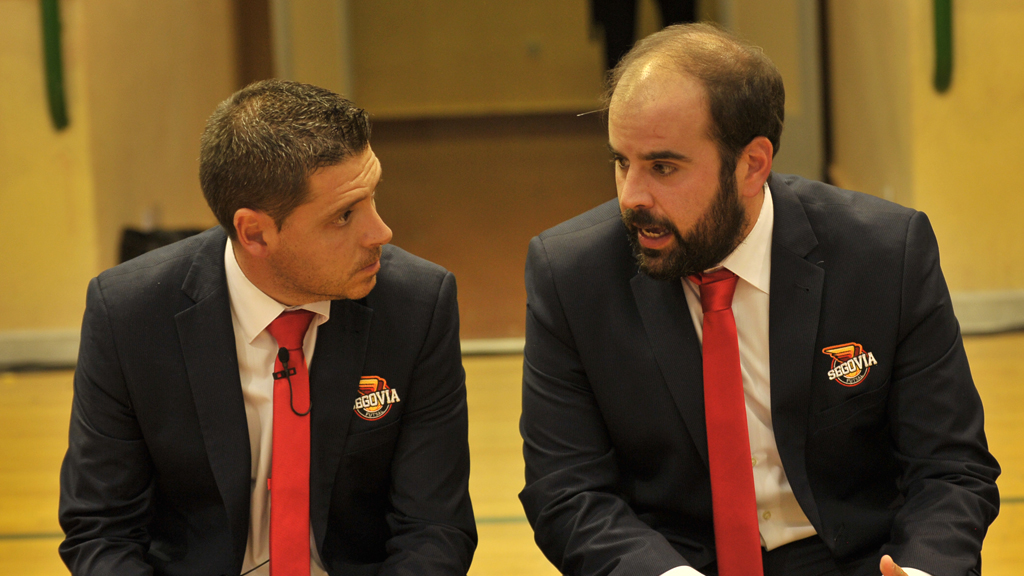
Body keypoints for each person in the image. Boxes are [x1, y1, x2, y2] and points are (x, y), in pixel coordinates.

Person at [519, 23, 999, 576]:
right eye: (622, 162)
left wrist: (921, 571)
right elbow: (567, 491)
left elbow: (950, 467)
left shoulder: (885, 254)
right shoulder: (571, 275)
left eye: (663, 167)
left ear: (752, 164)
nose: (631, 197)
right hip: (670, 563)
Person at [59, 80, 476, 575]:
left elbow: (434, 529)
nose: (380, 232)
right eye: (344, 215)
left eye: (372, 197)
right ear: (255, 233)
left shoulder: (417, 305)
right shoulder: (129, 313)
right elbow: (101, 530)